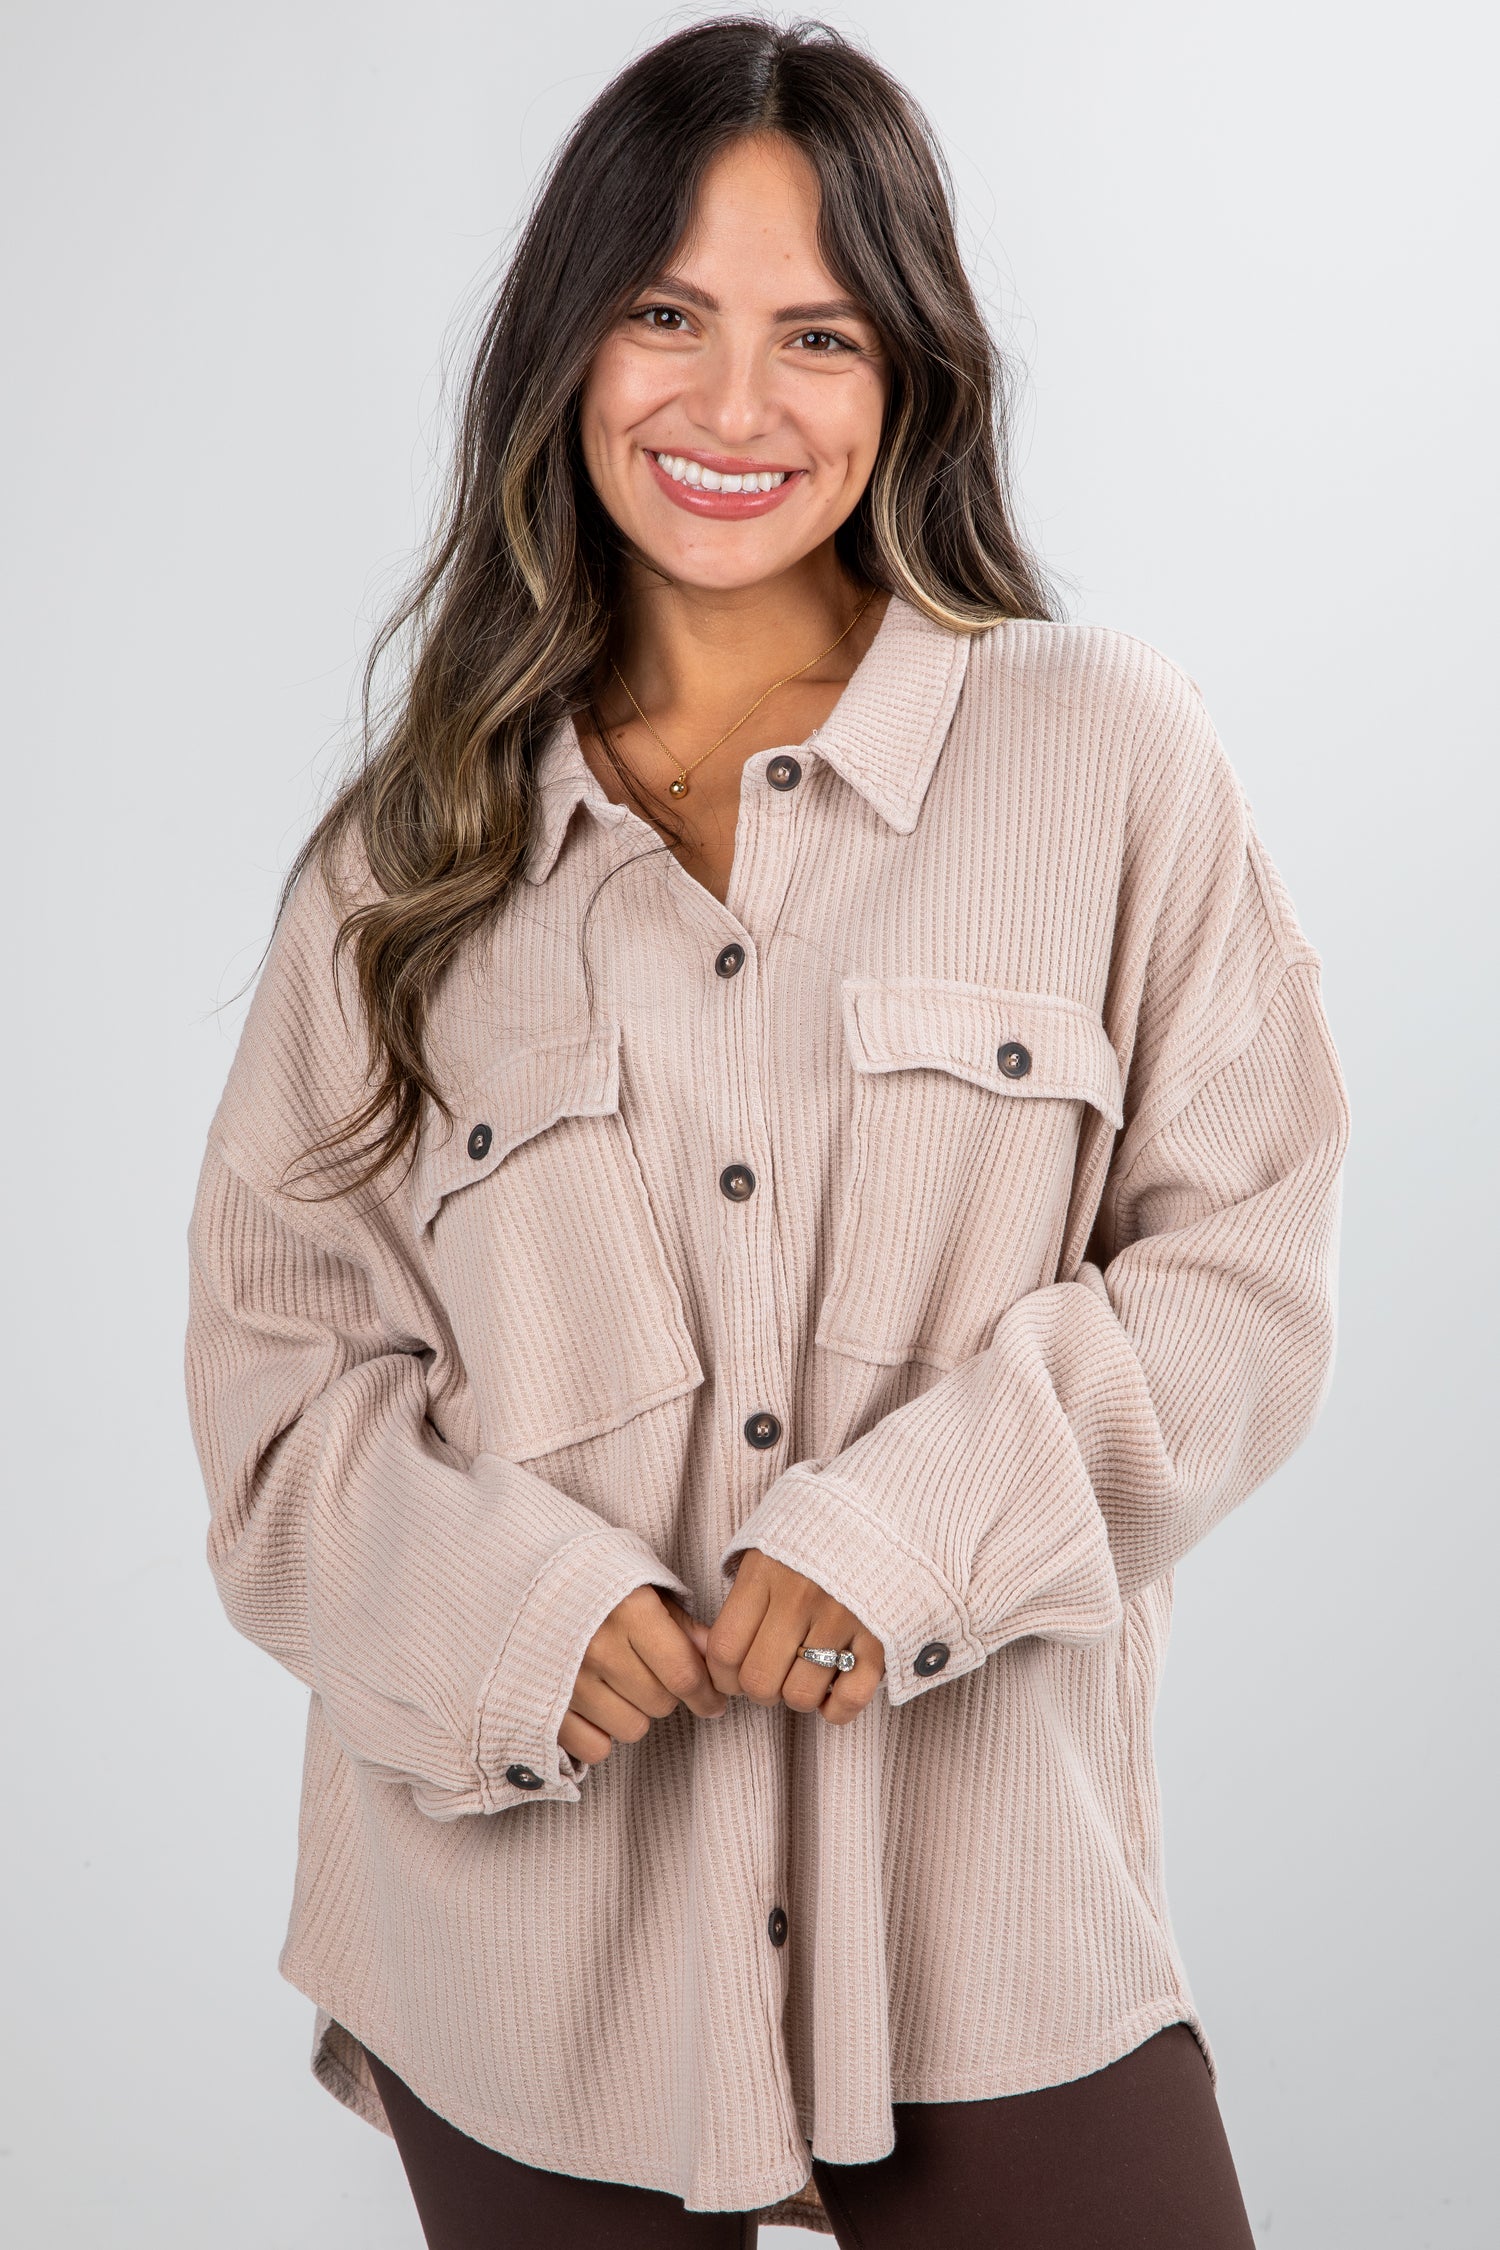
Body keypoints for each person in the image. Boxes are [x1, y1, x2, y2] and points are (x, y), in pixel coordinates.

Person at [183, 16, 1350, 2247]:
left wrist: (919, 1525)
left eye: (817, 332)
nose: (734, 407)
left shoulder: (1105, 755)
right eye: (666, 315)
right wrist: (515, 1614)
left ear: (910, 373)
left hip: (992, 1900)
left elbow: (1247, 1273)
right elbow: (275, 1397)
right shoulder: (400, 863)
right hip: (527, 1934)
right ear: (567, 345)